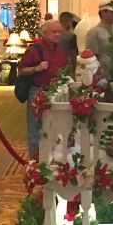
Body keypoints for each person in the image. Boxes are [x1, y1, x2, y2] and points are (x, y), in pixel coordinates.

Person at [18, 19, 68, 159]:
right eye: (54, 32)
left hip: (55, 91)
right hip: (37, 91)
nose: (58, 34)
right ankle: (35, 160)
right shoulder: (35, 49)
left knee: (52, 125)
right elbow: (21, 70)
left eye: (60, 32)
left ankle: (50, 156)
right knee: (35, 127)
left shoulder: (60, 50)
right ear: (45, 33)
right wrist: (36, 68)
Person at [85, 1, 113, 77]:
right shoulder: (93, 32)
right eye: (112, 12)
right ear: (103, 13)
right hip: (103, 72)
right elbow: (92, 57)